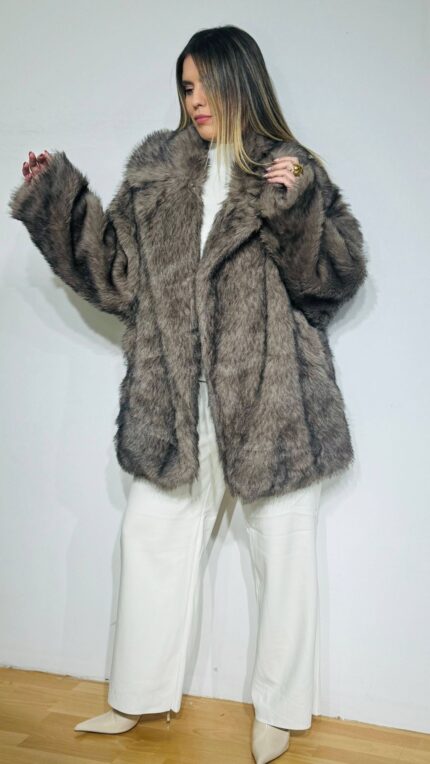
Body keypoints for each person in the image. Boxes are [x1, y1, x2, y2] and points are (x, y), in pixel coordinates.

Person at [9, 24, 368, 764]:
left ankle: (279, 710)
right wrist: (55, 200)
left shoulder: (291, 171)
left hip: (274, 401)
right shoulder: (157, 172)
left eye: (204, 83)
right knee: (149, 539)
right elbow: (115, 276)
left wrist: (295, 207)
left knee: (284, 557)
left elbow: (330, 282)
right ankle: (135, 697)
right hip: (175, 400)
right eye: (185, 87)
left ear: (242, 79)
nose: (193, 99)